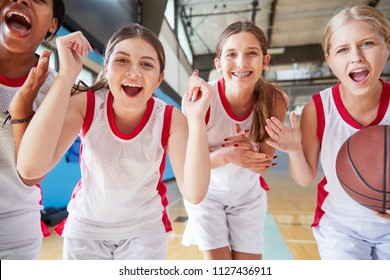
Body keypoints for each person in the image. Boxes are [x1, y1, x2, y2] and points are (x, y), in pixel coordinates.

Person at [16, 23, 212, 260]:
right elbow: (30, 168)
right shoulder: (86, 103)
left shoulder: (170, 118)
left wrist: (197, 118)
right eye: (122, 60)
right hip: (86, 229)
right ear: (106, 68)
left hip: (144, 232)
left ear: (159, 79)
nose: (134, 72)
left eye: (147, 64)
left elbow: (194, 193)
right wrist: (67, 74)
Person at [265, 5, 390, 259]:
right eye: (343, 49)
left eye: (367, 43)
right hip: (341, 228)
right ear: (329, 59)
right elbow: (304, 178)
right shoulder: (318, 108)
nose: (355, 57)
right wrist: (294, 150)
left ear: (387, 46)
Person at [181, 21, 289, 260]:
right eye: (231, 54)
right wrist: (228, 155)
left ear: (265, 61)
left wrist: (250, 151)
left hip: (247, 197)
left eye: (252, 53)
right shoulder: (201, 99)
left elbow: (264, 165)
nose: (241, 62)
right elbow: (187, 169)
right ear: (218, 64)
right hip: (206, 196)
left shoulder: (275, 100)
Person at [0, 0, 65, 260]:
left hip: (13, 228)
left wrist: (24, 106)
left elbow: (30, 174)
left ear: (52, 25)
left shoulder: (55, 90)